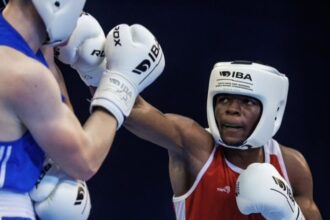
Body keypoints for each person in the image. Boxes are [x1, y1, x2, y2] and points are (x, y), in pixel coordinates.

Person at [0, 0, 164, 219]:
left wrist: (89, 71)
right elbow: (85, 161)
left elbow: (49, 79)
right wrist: (121, 81)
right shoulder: (24, 74)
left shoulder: (22, 56)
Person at [124, 61, 323, 219]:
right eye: (224, 99)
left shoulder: (291, 166)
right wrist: (98, 69)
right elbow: (130, 110)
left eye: (247, 101)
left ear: (271, 110)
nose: (232, 109)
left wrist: (288, 216)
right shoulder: (195, 145)